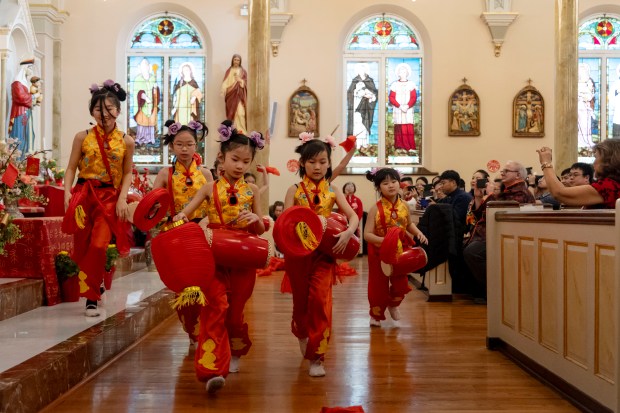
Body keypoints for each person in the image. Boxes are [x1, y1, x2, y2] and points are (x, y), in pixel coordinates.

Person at [173, 120, 265, 392]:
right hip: (213, 255)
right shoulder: (208, 187)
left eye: (245, 161)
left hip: (242, 257)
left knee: (235, 313)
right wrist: (179, 217)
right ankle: (211, 369)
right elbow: (185, 214)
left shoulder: (253, 191)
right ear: (222, 159)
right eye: (234, 159)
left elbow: (260, 227)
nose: (239, 166)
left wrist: (254, 219)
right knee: (216, 306)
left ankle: (235, 351)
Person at [283, 138, 359, 377]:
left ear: (328, 164)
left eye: (322, 161)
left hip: (324, 254)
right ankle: (302, 331)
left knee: (320, 299)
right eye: (312, 161)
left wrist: (348, 232)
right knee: (301, 302)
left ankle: (317, 356)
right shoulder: (293, 191)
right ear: (302, 164)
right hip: (298, 254)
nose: (317, 166)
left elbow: (352, 216)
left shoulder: (333, 190)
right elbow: (284, 223)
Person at [63, 79, 135, 316]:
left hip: (108, 197)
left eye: (109, 109)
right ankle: (97, 283)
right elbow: (71, 168)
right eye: (98, 109)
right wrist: (67, 192)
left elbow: (126, 173)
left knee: (98, 244)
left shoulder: (126, 141)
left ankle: (91, 298)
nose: (104, 114)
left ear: (118, 110)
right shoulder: (81, 137)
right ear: (92, 111)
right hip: (83, 195)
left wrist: (122, 198)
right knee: (82, 247)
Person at [152, 120, 212, 347]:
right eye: (179, 144)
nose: (185, 149)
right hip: (176, 233)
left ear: (197, 146)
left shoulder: (205, 174)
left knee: (205, 281)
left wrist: (207, 220)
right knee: (183, 284)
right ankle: (191, 327)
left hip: (202, 230)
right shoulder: (166, 174)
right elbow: (153, 203)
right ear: (171, 146)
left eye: (190, 144)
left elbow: (214, 202)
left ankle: (205, 326)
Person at [463, 161, 535, 303]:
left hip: (504, 235)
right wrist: (478, 197)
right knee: (465, 248)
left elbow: (502, 210)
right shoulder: (506, 191)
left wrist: (490, 194)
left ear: (518, 175)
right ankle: (480, 291)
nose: (502, 173)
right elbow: (480, 215)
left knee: (472, 251)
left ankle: (496, 291)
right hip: (490, 234)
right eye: (502, 170)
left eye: (506, 171)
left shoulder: (520, 192)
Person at [364, 168, 427, 328]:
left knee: (401, 284)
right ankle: (376, 314)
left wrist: (419, 232)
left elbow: (409, 224)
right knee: (378, 285)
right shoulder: (374, 209)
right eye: (385, 183)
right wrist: (385, 241)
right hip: (379, 251)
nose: (390, 186)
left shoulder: (404, 205)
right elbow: (367, 235)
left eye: (393, 181)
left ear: (399, 183)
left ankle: (393, 304)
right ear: (379, 188)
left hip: (400, 250)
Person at [537, 139, 620, 208]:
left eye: (596, 157)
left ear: (608, 161)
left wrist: (546, 163)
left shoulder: (610, 186)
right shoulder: (613, 184)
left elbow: (559, 193)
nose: (593, 162)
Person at [9, 58, 36, 156]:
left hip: (25, 112)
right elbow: (20, 98)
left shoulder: (24, 82)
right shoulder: (17, 82)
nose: (31, 70)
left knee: (27, 136)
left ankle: (23, 160)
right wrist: (33, 97)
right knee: (19, 136)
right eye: (30, 67)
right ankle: (17, 160)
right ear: (24, 68)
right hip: (19, 113)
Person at [346, 63, 377, 147]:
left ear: (366, 70)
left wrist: (370, 95)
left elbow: (375, 93)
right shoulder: (355, 80)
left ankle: (364, 143)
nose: (361, 71)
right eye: (360, 69)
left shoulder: (370, 80)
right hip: (356, 106)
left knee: (364, 124)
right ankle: (357, 143)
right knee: (357, 123)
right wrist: (356, 92)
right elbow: (349, 93)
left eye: (363, 69)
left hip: (366, 107)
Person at [388, 63, 417, 152]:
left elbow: (413, 97)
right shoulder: (395, 84)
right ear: (398, 73)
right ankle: (399, 146)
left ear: (407, 73)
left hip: (408, 109)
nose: (403, 73)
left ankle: (410, 146)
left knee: (408, 126)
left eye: (404, 71)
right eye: (401, 71)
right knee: (399, 127)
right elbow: (391, 97)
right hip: (398, 109)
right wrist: (400, 106)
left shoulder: (411, 84)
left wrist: (407, 105)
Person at [132, 58, 159, 145]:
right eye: (143, 66)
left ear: (149, 67)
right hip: (142, 106)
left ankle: (150, 138)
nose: (144, 68)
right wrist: (144, 97)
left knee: (150, 121)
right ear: (140, 67)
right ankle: (140, 138)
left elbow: (156, 92)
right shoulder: (137, 79)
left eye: (146, 65)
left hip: (151, 105)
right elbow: (137, 91)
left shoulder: (152, 78)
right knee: (142, 120)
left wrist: (155, 88)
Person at [221, 54, 248, 133]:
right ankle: (234, 130)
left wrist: (241, 81)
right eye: (235, 60)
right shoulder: (229, 71)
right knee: (233, 114)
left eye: (238, 60)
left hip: (239, 95)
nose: (236, 61)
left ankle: (242, 131)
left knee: (240, 113)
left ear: (240, 62)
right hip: (230, 95)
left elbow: (246, 84)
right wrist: (223, 90)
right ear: (232, 60)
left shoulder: (243, 72)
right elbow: (225, 82)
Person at [577, 63, 596, 151]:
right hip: (580, 107)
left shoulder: (588, 83)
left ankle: (588, 140)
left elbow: (590, 96)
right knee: (582, 125)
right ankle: (582, 141)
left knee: (587, 125)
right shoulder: (578, 85)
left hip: (586, 108)